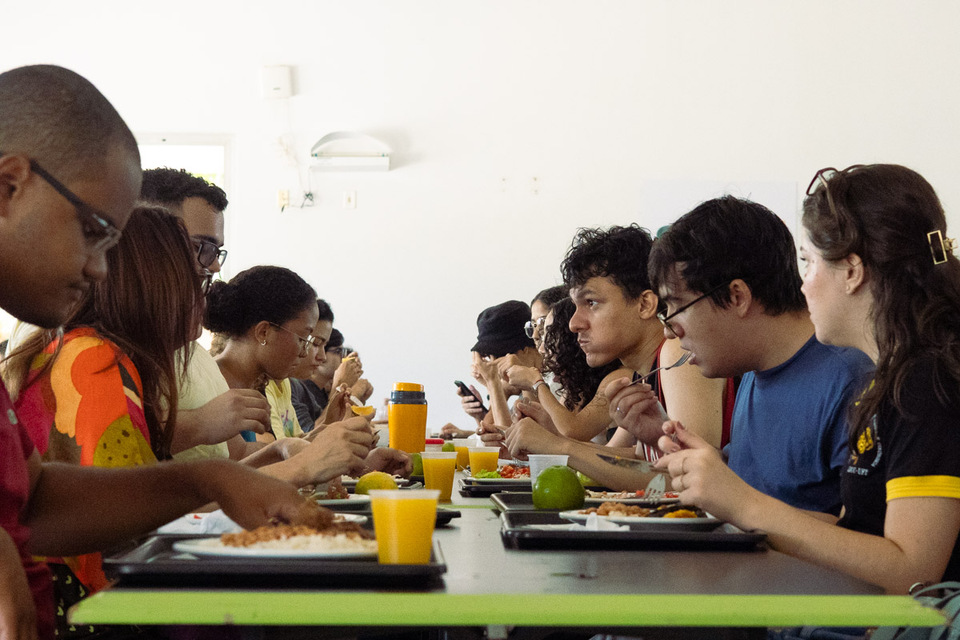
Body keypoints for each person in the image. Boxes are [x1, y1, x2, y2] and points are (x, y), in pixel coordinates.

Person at [0, 64, 316, 640]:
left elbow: (34, 499)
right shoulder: (89, 354)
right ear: (10, 185)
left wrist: (212, 479)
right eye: (94, 231)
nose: (100, 268)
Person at [656, 164, 960, 593]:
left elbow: (914, 571)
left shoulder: (926, 383)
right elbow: (856, 532)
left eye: (809, 262)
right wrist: (724, 498)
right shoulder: (890, 382)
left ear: (852, 271)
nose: (802, 285)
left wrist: (745, 504)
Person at [5, 206, 211, 631]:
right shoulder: (95, 360)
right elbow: (128, 528)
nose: (201, 293)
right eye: (194, 277)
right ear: (153, 280)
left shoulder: (101, 355)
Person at [643, 196, 873, 515]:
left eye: (676, 306)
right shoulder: (754, 371)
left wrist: (735, 499)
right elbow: (755, 487)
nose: (668, 331)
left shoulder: (850, 381)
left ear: (737, 296)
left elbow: (860, 543)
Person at [501, 225, 733, 490]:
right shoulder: (643, 372)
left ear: (645, 304)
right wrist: (553, 441)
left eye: (592, 303)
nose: (574, 323)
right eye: (576, 306)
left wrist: (560, 446)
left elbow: (687, 477)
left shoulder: (678, 354)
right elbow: (640, 461)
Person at [139, 167, 272, 462]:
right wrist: (199, 423)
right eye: (202, 247)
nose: (213, 267)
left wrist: (303, 452)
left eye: (215, 251)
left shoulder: (193, 354)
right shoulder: (94, 344)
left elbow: (235, 456)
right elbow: (121, 454)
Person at [504, 297, 630, 443]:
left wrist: (535, 383)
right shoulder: (580, 383)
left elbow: (571, 432)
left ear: (571, 341)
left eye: (550, 337)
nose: (542, 348)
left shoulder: (620, 377)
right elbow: (558, 437)